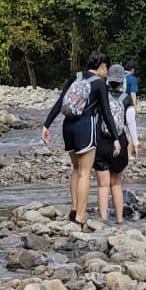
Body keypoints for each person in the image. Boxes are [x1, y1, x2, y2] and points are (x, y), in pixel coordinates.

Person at [42, 51, 121, 227]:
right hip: (85, 127)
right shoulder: (100, 84)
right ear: (101, 66)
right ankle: (80, 215)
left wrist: (46, 125)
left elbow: (60, 102)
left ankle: (73, 208)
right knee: (86, 172)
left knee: (76, 169)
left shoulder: (75, 77)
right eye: (106, 68)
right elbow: (106, 112)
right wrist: (115, 137)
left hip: (67, 127)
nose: (107, 72)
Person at [96, 63, 139, 224]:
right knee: (116, 183)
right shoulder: (126, 99)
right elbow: (131, 122)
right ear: (122, 81)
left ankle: (103, 219)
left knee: (102, 185)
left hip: (102, 142)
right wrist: (135, 143)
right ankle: (120, 219)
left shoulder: (101, 97)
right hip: (119, 143)